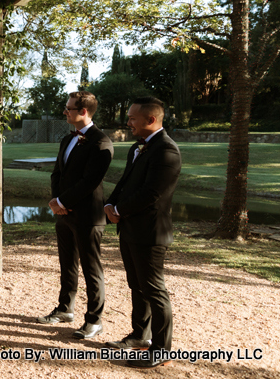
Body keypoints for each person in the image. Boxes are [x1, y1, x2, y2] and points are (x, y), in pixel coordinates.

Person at [104, 97, 181, 369]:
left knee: (154, 289)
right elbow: (125, 182)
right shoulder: (138, 148)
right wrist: (110, 204)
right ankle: (140, 336)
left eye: (133, 118)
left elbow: (152, 194)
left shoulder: (167, 151)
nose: (128, 122)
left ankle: (161, 350)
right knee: (136, 285)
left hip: (150, 232)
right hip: (130, 229)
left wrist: (120, 210)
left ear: (151, 120)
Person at [37, 91, 113, 340]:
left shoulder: (101, 142)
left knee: (92, 270)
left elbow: (90, 181)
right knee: (67, 265)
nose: (64, 111)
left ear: (83, 111)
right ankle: (65, 309)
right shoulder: (66, 139)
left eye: (69, 108)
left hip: (88, 216)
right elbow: (56, 173)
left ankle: (94, 320)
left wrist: (63, 201)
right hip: (64, 214)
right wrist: (56, 202)